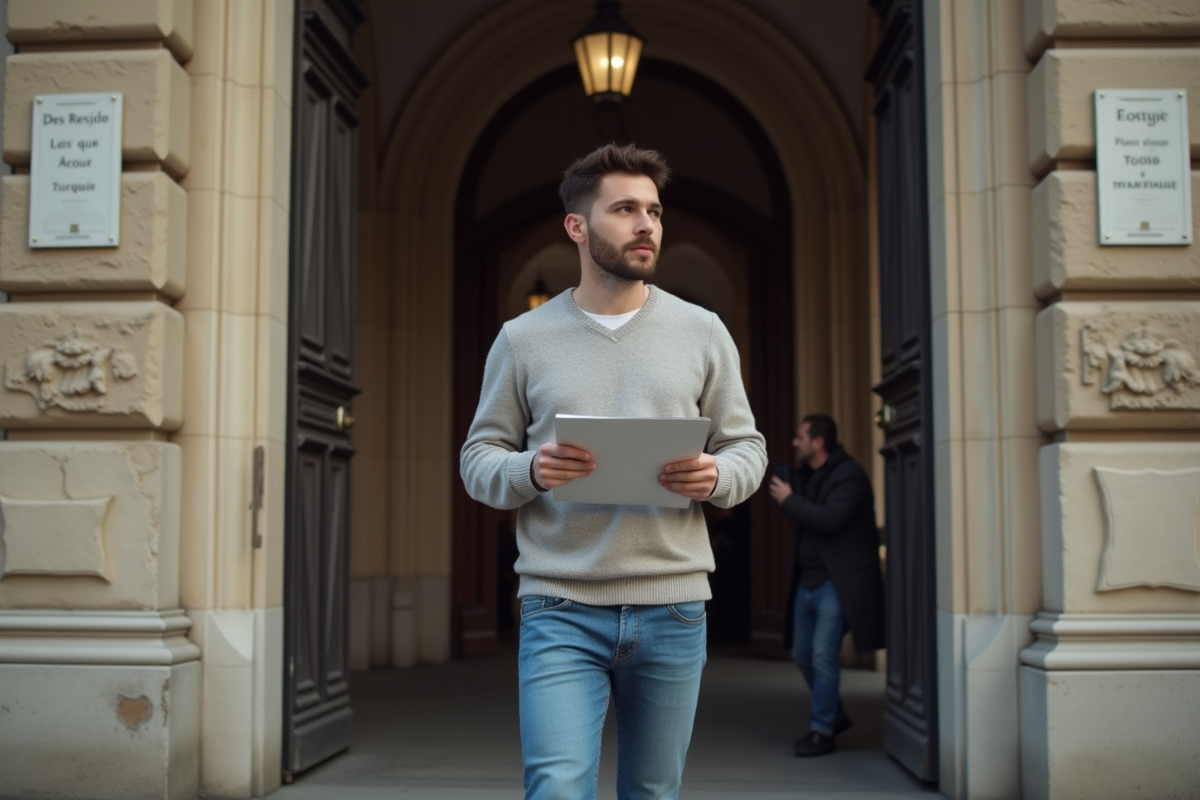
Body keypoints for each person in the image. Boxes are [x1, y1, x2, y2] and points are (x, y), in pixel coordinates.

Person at [460, 143, 767, 799]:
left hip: (674, 607)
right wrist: (532, 470)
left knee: (653, 792)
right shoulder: (523, 338)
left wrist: (715, 476)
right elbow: (478, 461)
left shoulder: (703, 330)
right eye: (625, 209)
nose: (646, 224)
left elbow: (750, 450)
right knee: (557, 788)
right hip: (559, 606)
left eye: (654, 210)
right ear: (577, 225)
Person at [767, 414, 885, 757]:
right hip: (808, 581)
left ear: (818, 442)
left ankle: (822, 730)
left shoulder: (850, 476)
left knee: (822, 655)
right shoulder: (808, 475)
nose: (794, 443)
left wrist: (790, 500)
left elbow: (831, 519)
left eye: (800, 437)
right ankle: (834, 714)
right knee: (803, 654)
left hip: (836, 583)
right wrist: (793, 497)